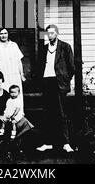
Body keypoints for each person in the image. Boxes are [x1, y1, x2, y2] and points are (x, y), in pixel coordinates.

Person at [36, 24, 76, 153]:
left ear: (57, 33)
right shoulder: (44, 48)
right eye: (48, 33)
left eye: (52, 33)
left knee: (61, 114)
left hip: (59, 84)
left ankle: (66, 143)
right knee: (47, 114)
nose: (50, 35)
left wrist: (65, 80)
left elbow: (72, 68)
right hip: (47, 82)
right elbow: (39, 66)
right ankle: (48, 143)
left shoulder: (65, 47)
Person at [0, 71, 34, 139]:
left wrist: (13, 115)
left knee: (24, 121)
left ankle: (19, 144)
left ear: (2, 80)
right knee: (10, 126)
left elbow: (12, 106)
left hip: (7, 117)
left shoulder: (6, 93)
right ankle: (10, 144)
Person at [0, 27, 26, 99]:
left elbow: (19, 61)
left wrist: (22, 74)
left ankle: (18, 110)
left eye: (5, 33)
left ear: (8, 34)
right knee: (5, 95)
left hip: (15, 75)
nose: (3, 35)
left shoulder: (14, 45)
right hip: (3, 76)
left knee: (16, 95)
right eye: (1, 34)